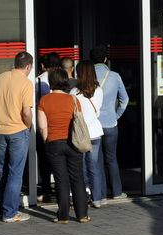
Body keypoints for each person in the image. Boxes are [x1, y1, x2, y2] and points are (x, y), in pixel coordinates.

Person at [38, 68, 90, 224]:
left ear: (51, 82)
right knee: (77, 178)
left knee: (61, 179)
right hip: (73, 144)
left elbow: (42, 126)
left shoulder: (44, 100)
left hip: (54, 143)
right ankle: (82, 215)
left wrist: (48, 139)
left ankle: (63, 216)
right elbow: (79, 122)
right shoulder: (73, 100)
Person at [0, 51, 33, 223]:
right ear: (28, 66)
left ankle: (2, 210)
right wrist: (28, 126)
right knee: (15, 173)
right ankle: (10, 212)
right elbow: (26, 111)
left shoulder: (0, 78)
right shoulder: (26, 83)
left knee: (2, 171)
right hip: (17, 131)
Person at [90, 46, 129, 200]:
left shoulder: (87, 75)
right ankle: (117, 192)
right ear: (106, 59)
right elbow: (124, 100)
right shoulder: (114, 76)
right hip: (110, 124)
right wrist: (116, 116)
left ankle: (100, 195)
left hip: (93, 125)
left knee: (97, 161)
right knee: (112, 158)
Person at [70, 60, 104, 208]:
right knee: (94, 167)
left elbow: (74, 113)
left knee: (81, 168)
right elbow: (99, 108)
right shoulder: (99, 90)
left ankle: (83, 196)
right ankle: (97, 199)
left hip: (81, 134)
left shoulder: (74, 93)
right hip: (96, 132)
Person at [35, 52, 61, 202]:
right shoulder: (63, 79)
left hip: (43, 124)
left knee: (44, 159)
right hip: (59, 124)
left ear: (43, 66)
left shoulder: (37, 81)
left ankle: (46, 189)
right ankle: (60, 189)